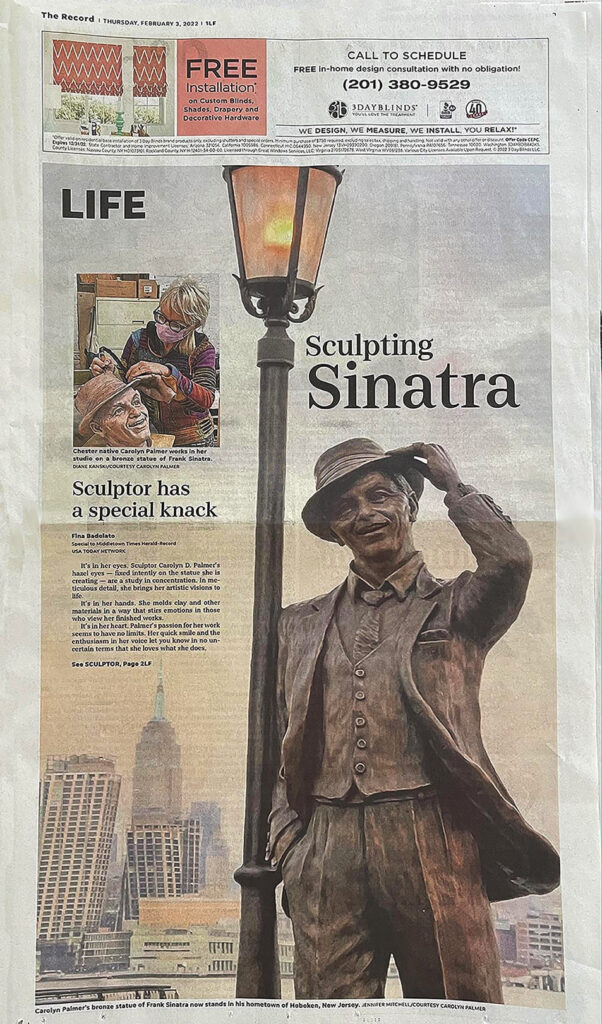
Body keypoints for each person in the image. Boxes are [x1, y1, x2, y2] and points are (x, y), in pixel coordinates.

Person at [268, 437, 560, 1002]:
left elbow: (511, 560)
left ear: (410, 505)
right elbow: (283, 743)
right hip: (327, 845)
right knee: (327, 1011)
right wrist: (290, 843)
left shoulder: (458, 606)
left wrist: (456, 487)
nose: (365, 515)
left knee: (459, 1002)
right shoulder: (296, 625)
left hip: (432, 834)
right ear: (333, 529)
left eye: (379, 496)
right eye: (345, 508)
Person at [90, 276, 217, 447]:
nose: (164, 326)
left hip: (192, 439)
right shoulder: (139, 339)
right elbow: (124, 381)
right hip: (149, 433)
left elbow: (207, 399)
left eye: (176, 324)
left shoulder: (202, 349)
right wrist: (109, 373)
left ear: (193, 325)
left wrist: (169, 372)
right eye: (162, 317)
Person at [75, 371, 175, 448]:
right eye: (118, 410)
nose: (136, 412)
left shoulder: (165, 445)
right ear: (98, 428)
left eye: (136, 402)